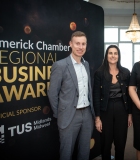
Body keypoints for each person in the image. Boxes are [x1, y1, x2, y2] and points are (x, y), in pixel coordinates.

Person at [47, 31, 95, 160]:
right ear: (70, 44)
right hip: (68, 116)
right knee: (66, 152)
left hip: (87, 114)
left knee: (85, 152)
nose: (80, 47)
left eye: (83, 44)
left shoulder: (86, 64)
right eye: (77, 43)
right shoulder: (60, 65)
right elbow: (52, 94)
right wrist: (60, 113)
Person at [93, 45, 132, 160]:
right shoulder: (99, 73)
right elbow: (96, 95)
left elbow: (129, 95)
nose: (113, 56)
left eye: (115, 53)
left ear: (119, 56)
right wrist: (97, 118)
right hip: (106, 109)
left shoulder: (125, 72)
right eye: (110, 53)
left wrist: (130, 114)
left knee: (120, 142)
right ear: (106, 55)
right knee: (105, 143)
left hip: (122, 109)